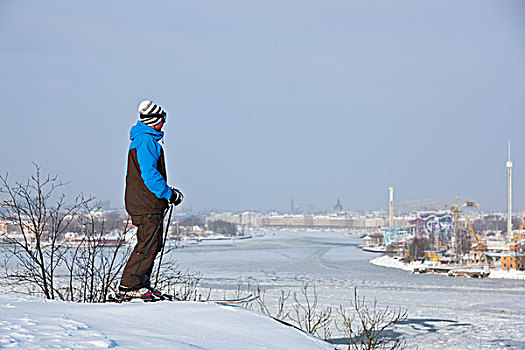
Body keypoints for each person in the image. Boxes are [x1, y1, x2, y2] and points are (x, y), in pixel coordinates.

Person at [119, 100, 183, 301]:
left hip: (143, 201)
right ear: (155, 121)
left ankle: (141, 284)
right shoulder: (147, 141)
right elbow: (149, 175)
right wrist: (169, 194)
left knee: (152, 244)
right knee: (148, 244)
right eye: (163, 119)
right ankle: (130, 285)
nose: (164, 123)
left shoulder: (142, 139)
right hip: (146, 202)